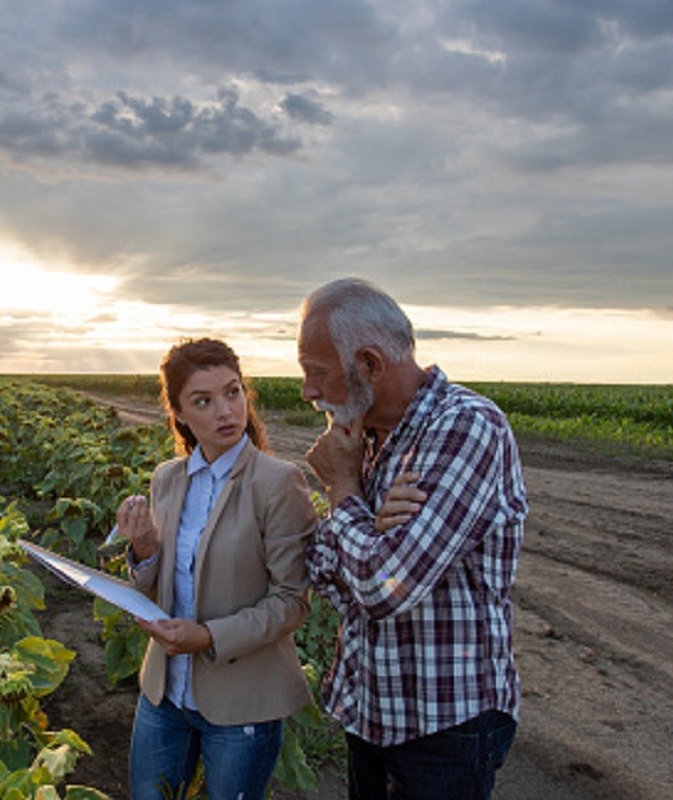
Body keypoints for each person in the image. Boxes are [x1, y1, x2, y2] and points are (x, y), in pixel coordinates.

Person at [297, 277, 528, 800]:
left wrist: (342, 489)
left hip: (442, 725)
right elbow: (331, 580)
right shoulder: (370, 441)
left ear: (370, 365)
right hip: (372, 711)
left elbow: (382, 588)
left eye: (316, 373)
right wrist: (370, 527)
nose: (309, 391)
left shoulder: (467, 427)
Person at [113, 337, 319, 800]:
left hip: (242, 702)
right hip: (165, 693)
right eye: (203, 401)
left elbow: (291, 603)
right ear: (181, 414)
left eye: (232, 392)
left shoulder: (278, 483)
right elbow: (160, 586)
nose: (225, 411)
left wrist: (208, 638)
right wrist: (144, 549)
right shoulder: (168, 478)